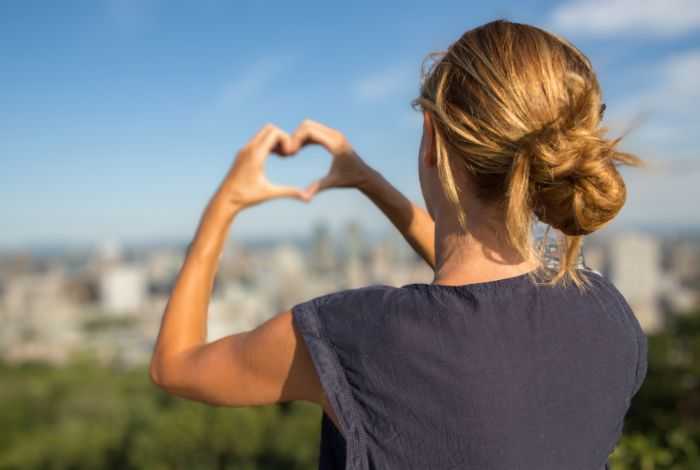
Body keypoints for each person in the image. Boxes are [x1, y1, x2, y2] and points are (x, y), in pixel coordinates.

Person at [149, 19, 648, 470]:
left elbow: (175, 365)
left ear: (431, 139)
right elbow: (480, 302)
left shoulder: (356, 337)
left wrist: (225, 205)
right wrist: (369, 181)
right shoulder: (609, 314)